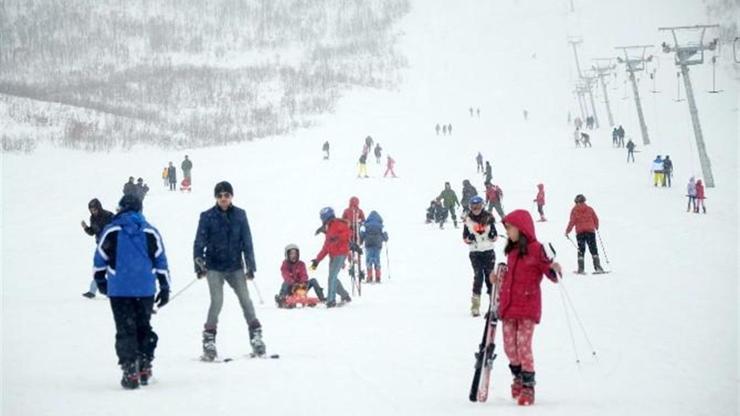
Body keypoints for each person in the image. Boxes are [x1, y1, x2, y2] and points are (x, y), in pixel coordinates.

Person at [93, 194, 170, 389]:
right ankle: (144, 363)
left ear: (121, 208)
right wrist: (165, 286)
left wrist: (101, 280)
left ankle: (129, 368)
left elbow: (100, 258)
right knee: (143, 325)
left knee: (125, 328)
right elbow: (161, 261)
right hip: (145, 289)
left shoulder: (111, 230)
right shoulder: (150, 231)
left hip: (119, 289)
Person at [193, 181, 266, 361]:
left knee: (246, 300)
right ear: (216, 198)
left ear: (231, 196)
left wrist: (250, 265)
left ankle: (256, 337)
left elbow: (247, 241)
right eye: (220, 195)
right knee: (217, 301)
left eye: (227, 195)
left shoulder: (240, 215)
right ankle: (209, 340)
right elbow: (199, 241)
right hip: (214, 266)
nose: (223, 198)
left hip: (235, 266)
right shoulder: (207, 216)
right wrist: (198, 262)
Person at [495, 209, 561, 406]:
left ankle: (528, 387)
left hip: (527, 306)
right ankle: (518, 377)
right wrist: (498, 278)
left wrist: (554, 269)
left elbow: (550, 273)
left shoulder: (536, 249)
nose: (508, 232)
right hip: (508, 306)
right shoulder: (512, 252)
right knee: (509, 348)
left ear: (522, 229)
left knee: (523, 347)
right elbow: (510, 277)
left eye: (510, 228)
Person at [462, 196, 498, 317]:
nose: (475, 209)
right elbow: (465, 237)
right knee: (478, 276)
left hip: (488, 251)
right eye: (473, 207)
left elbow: (495, 235)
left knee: (490, 277)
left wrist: (493, 235)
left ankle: (493, 305)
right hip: (475, 252)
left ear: (482, 206)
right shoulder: (468, 220)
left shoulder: (488, 217)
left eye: (478, 206)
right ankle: (475, 306)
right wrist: (469, 239)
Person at [310, 207, 353, 308]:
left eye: (322, 218)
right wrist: (317, 260)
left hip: (341, 254)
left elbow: (348, 234)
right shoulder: (328, 228)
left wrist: (337, 238)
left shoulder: (338, 223)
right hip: (333, 256)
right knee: (333, 278)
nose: (322, 220)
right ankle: (345, 295)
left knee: (332, 277)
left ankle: (331, 300)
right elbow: (326, 248)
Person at [81, 198, 114, 298]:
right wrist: (86, 228)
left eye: (94, 209)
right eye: (91, 209)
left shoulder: (108, 215)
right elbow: (92, 232)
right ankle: (92, 292)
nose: (93, 211)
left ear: (99, 207)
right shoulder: (92, 218)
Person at [565, 194, 604, 274]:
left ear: (576, 201)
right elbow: (596, 219)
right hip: (590, 231)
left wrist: (567, 231)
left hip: (580, 233)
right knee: (593, 249)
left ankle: (581, 269)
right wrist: (596, 226)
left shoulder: (574, 210)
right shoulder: (590, 209)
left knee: (581, 250)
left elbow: (572, 222)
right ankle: (598, 268)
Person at [360, 211, 388, 284]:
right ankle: (378, 277)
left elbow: (362, 234)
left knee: (369, 260)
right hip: (378, 245)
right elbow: (385, 236)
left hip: (368, 244)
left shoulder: (366, 225)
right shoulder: (381, 225)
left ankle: (369, 277)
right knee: (377, 259)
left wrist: (360, 241)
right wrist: (384, 239)